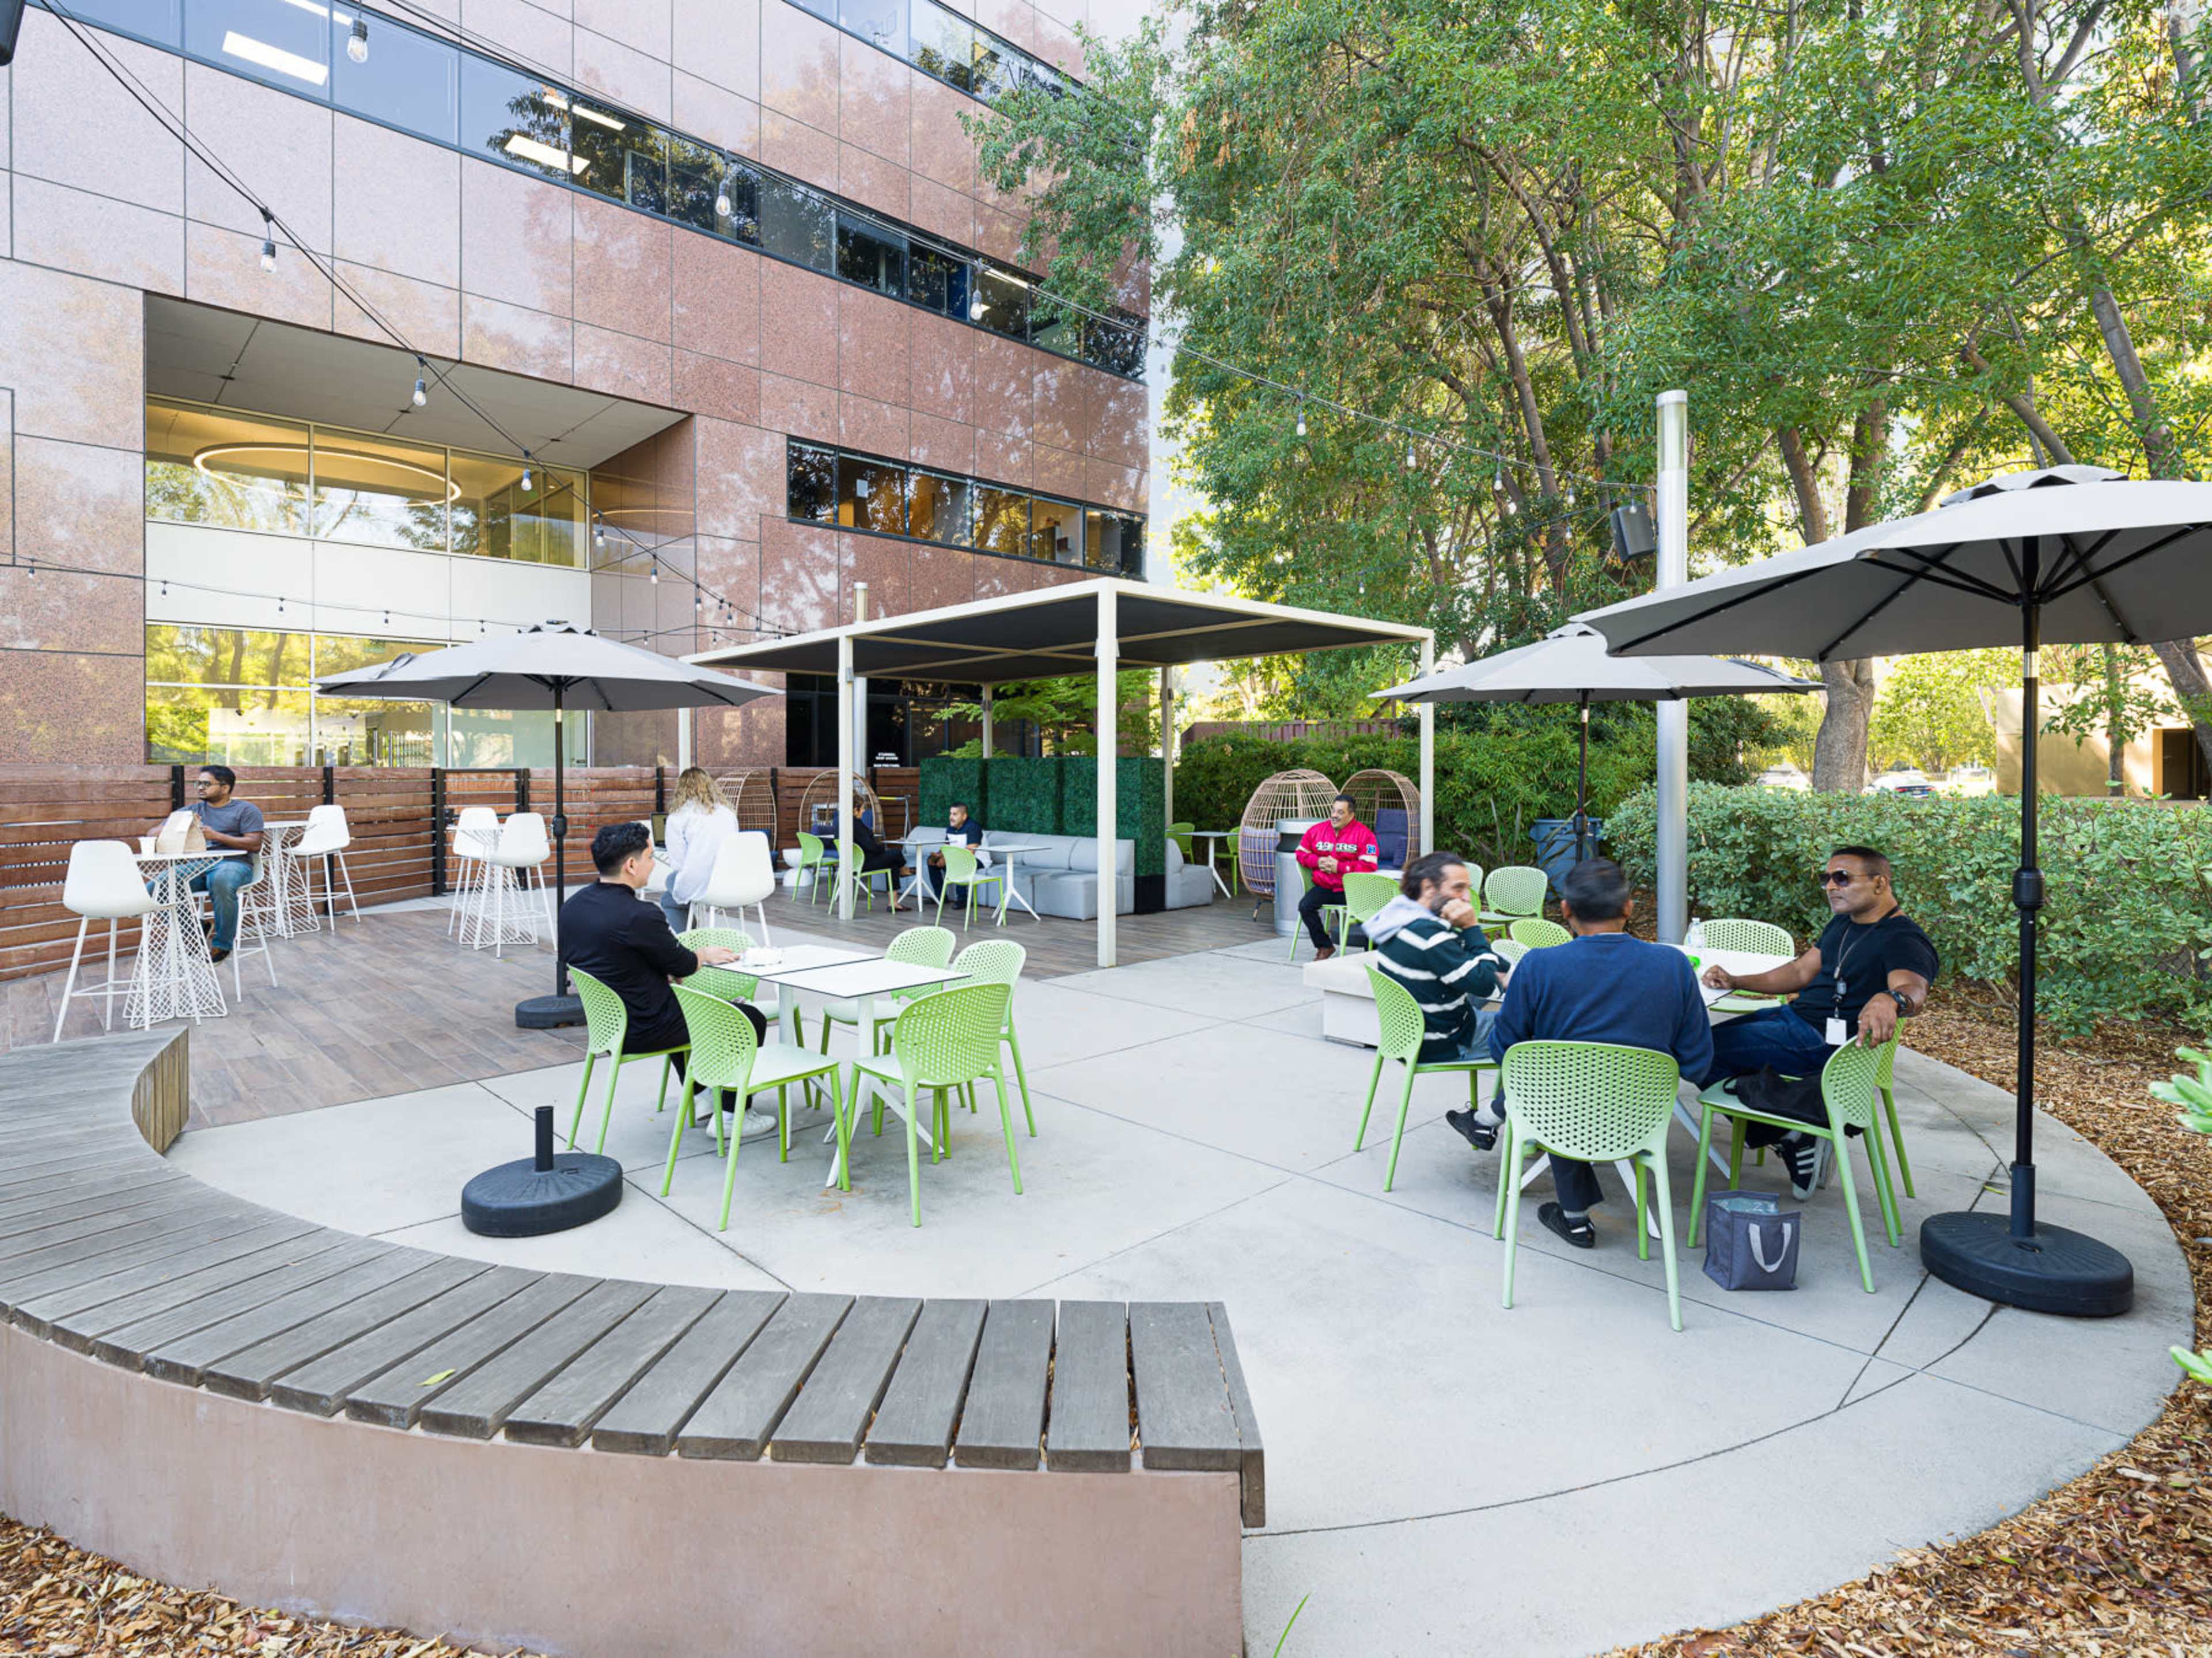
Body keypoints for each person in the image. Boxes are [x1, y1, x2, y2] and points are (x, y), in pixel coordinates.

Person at [1486, 859, 1712, 1250]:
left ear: (1566, 911)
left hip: (1553, 1120)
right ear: (1628, 908)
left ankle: (1574, 1215)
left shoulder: (1538, 966)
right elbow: (1698, 1063)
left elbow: (1503, 1051)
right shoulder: (1673, 966)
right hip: (1639, 1124)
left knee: (1557, 1076)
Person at [1696, 845, 1938, 1197]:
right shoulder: (1844, 922)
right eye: (1826, 878)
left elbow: (1913, 987)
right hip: (1796, 1020)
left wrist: (1892, 999)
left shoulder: (1903, 939)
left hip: (1823, 1044)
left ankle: (1787, 1133)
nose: (1830, 886)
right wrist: (1737, 981)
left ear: (1879, 883)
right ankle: (1793, 1131)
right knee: (1699, 1039)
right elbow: (1799, 971)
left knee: (1696, 1051)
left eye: (1842, 878)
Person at [559, 822, 770, 1135]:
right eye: (649, 856)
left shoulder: (573, 907)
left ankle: (700, 1096)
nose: (653, 864)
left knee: (678, 1004)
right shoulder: (640, 915)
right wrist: (702, 955)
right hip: (645, 1028)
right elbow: (683, 964)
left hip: (609, 1027)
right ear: (631, 866)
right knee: (749, 1018)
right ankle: (730, 1115)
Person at [1367, 850, 1510, 1133]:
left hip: (1411, 1035)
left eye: (1467, 889)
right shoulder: (1431, 937)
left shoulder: (1398, 919)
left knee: (1497, 978)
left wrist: (1496, 965)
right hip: (1447, 1040)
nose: (1467, 898)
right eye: (1458, 888)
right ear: (1429, 888)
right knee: (1537, 1033)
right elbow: (1483, 982)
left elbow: (1468, 962)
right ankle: (1488, 1121)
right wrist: (1472, 928)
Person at [176, 765, 263, 965]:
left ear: (225, 788)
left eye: (206, 784)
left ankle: (222, 945)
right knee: (157, 888)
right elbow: (154, 832)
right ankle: (195, 928)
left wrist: (216, 836)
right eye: (197, 783)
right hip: (199, 865)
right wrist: (181, 828)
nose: (200, 788)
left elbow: (255, 844)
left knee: (221, 880)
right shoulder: (192, 811)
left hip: (234, 864)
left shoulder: (246, 810)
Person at [1294, 794, 1381, 960]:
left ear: (1351, 815)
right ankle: (1325, 946)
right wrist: (1317, 861)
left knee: (1371, 914)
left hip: (1352, 890)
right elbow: (1300, 854)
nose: (1334, 815)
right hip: (1325, 886)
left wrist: (1340, 867)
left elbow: (1369, 865)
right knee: (1305, 907)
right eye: (1333, 811)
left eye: (1340, 812)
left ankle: (1372, 955)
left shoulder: (1365, 835)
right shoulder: (1317, 830)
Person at [658, 767, 737, 937]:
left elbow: (678, 864)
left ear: (681, 789)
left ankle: (690, 941)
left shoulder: (678, 817)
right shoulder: (728, 814)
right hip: (731, 882)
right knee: (674, 888)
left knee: (669, 890)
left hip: (704, 885)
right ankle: (694, 936)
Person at [911, 801, 987, 910]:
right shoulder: (950, 828)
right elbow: (947, 847)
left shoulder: (973, 827)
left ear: (964, 816)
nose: (951, 817)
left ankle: (962, 900)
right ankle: (940, 897)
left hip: (978, 860)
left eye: (955, 814)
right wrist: (939, 856)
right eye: (951, 814)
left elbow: (970, 853)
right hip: (959, 857)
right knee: (932, 861)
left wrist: (948, 860)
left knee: (961, 862)